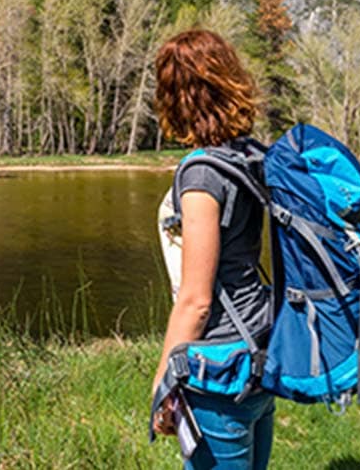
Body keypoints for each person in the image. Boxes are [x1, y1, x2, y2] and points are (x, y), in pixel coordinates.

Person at [151, 29, 274, 470]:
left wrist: (164, 380)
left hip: (219, 368)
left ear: (178, 96)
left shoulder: (203, 175)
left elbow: (197, 301)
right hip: (261, 346)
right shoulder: (250, 158)